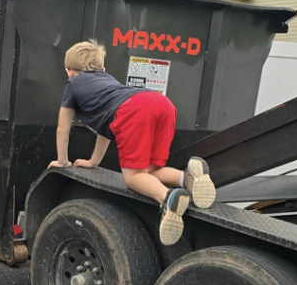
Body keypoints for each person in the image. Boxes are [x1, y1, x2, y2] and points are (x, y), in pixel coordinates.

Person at [48, 40, 216, 245]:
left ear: (68, 70)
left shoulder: (73, 84)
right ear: (102, 69)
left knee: (133, 178)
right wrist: (93, 162)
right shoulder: (108, 81)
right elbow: (105, 132)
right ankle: (188, 178)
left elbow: (63, 128)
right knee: (150, 172)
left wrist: (62, 161)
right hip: (161, 103)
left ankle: (167, 198)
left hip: (134, 110)